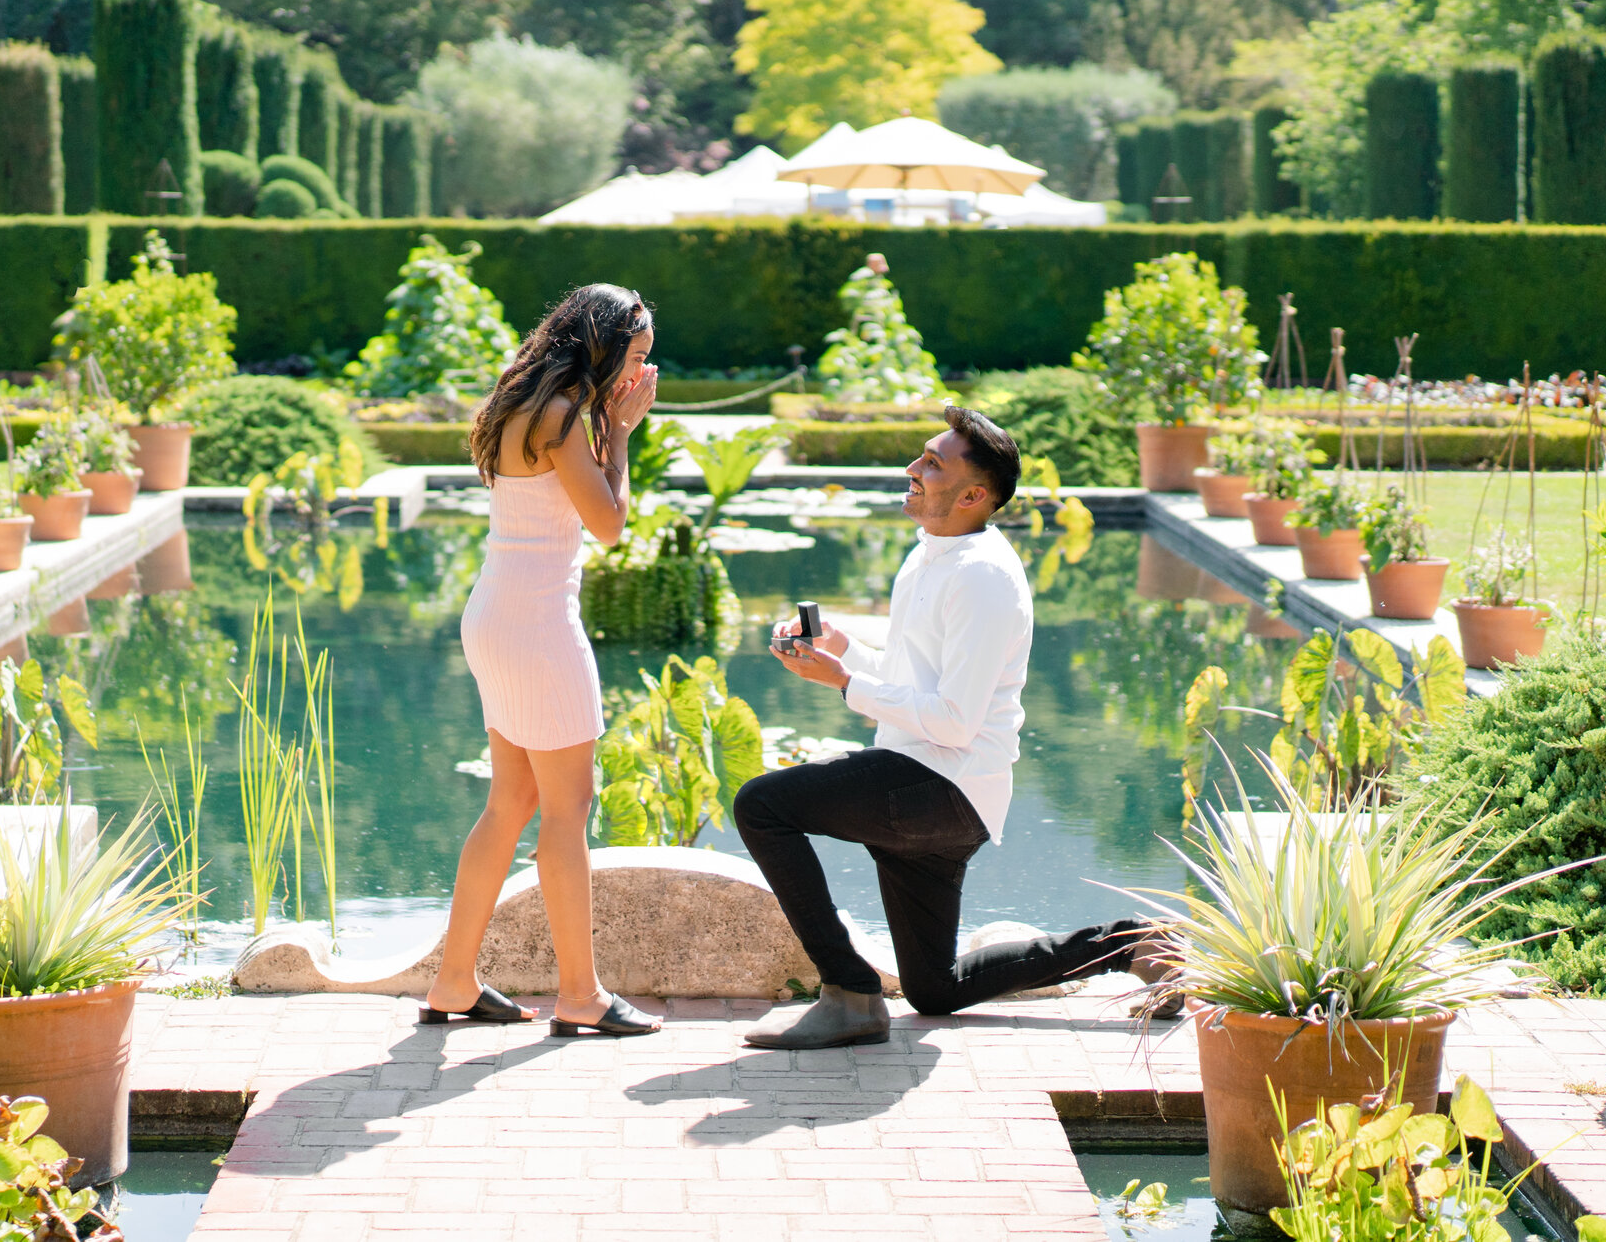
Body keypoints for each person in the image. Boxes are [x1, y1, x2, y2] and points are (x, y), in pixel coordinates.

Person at [733, 405, 1161, 1049]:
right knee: (935, 990)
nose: (912, 468)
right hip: (930, 784)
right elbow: (918, 682)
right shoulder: (933, 554)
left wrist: (845, 683)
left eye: (932, 463)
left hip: (941, 784)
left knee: (762, 806)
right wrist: (842, 649)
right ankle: (1133, 944)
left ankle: (849, 993)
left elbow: (956, 723)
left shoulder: (984, 576)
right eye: (921, 455)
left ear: (972, 496)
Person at [420, 284, 665, 1038]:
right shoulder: (562, 417)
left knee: (511, 802)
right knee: (567, 810)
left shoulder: (518, 398)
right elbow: (611, 527)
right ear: (599, 342)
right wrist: (622, 433)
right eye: (635, 356)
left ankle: (454, 981)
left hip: (495, 615)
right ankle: (582, 995)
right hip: (537, 627)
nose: (637, 373)